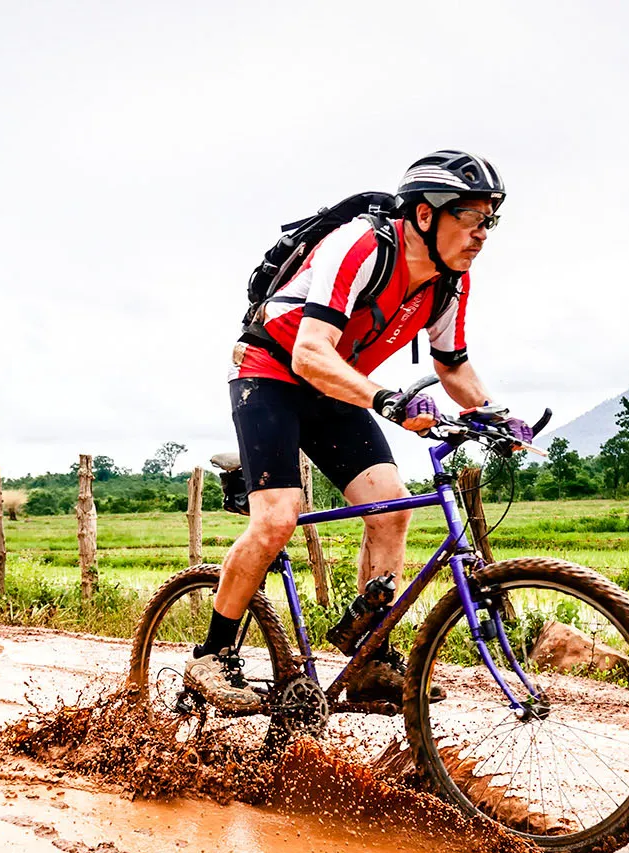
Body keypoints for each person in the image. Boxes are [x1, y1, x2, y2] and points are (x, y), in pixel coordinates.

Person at [187, 150, 511, 711]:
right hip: (272, 373)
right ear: (426, 215)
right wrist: (385, 399)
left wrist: (498, 416)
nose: (482, 233)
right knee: (277, 519)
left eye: (491, 219)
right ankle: (211, 657)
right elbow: (312, 352)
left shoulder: (448, 279)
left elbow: (453, 364)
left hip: (335, 387)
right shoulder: (360, 247)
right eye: (471, 217)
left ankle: (368, 658)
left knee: (393, 507)